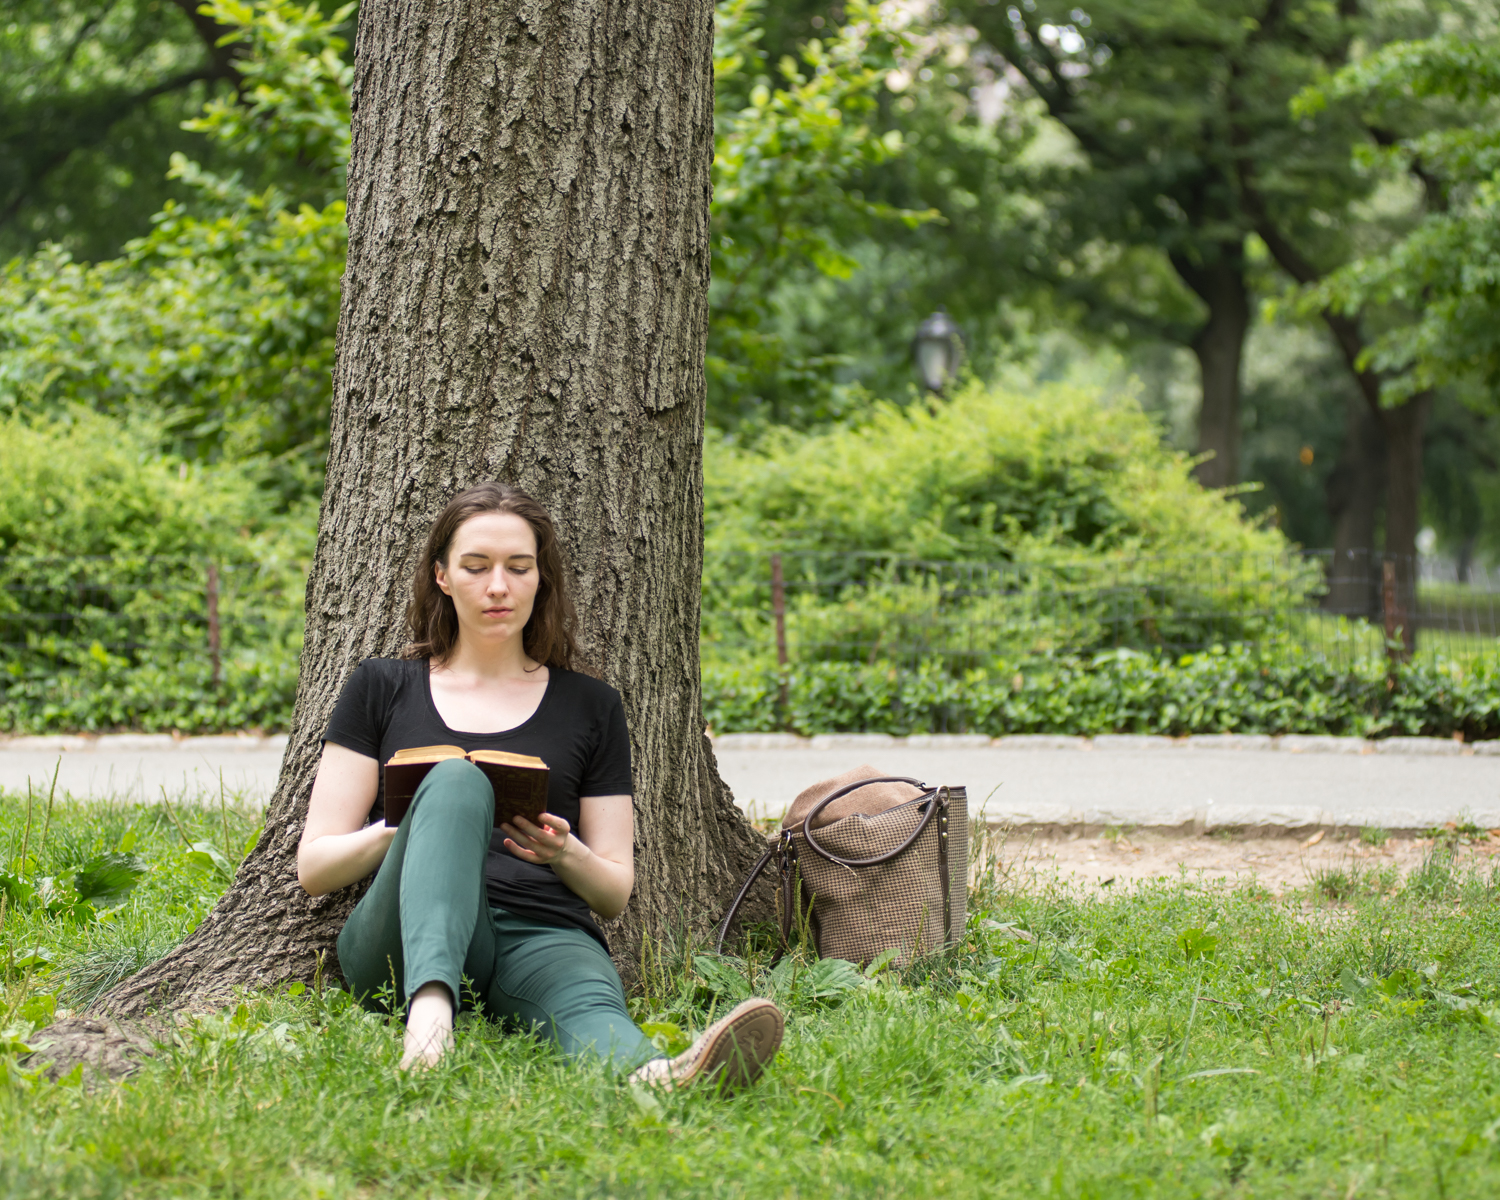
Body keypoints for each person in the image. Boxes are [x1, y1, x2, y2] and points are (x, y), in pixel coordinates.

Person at [296, 482, 783, 1084]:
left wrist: (564, 851)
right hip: (401, 935)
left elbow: (612, 892)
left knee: (590, 1010)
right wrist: (406, 827)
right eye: (475, 567)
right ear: (442, 577)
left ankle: (660, 1079)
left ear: (539, 579)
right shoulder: (380, 687)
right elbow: (314, 868)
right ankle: (429, 1024)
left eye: (517, 568)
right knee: (454, 781)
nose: (497, 586)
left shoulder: (591, 706)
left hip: (540, 930)